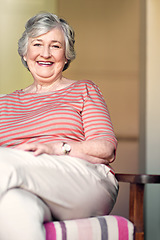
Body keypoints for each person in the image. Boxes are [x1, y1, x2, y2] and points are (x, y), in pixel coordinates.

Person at [0, 12, 119, 240]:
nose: (45, 53)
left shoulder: (83, 90)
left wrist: (56, 148)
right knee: (12, 207)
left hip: (81, 179)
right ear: (25, 53)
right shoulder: (4, 103)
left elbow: (106, 149)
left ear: (66, 56)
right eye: (37, 44)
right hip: (23, 183)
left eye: (55, 46)